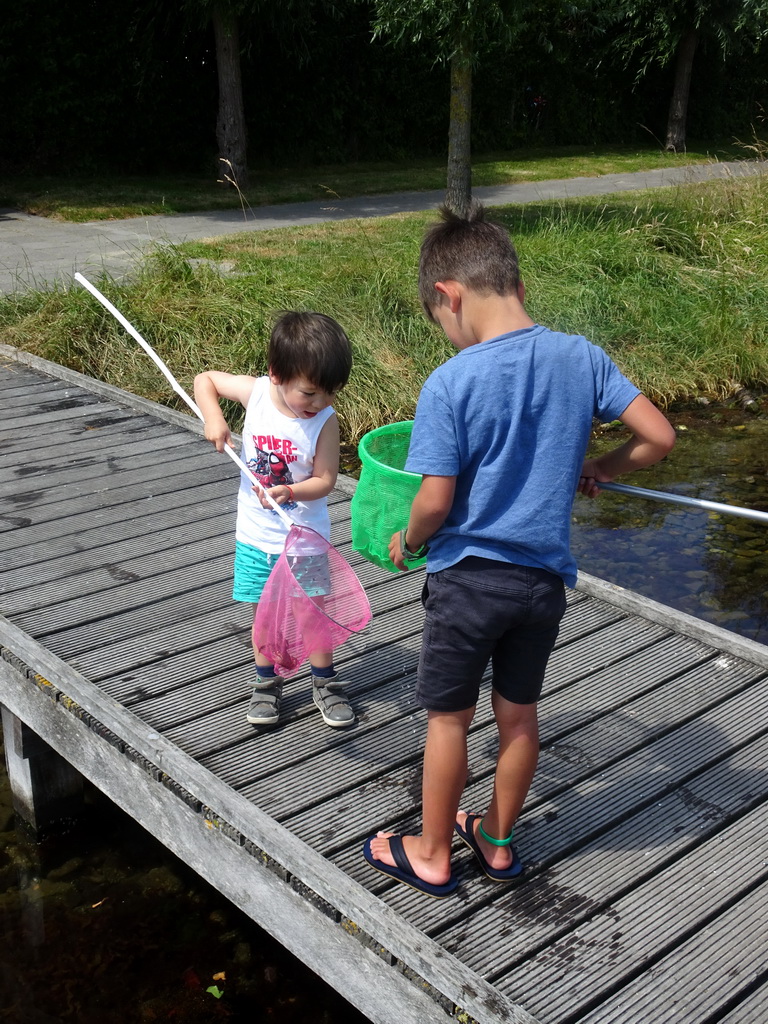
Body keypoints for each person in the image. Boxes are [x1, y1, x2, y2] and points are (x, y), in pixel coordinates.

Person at [363, 202, 675, 897]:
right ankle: (497, 845)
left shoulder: (452, 381)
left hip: (468, 582)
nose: (448, 336)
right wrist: (602, 468)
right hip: (541, 588)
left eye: (441, 323)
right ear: (518, 287)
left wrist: (408, 541)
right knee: (519, 717)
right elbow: (660, 437)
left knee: (448, 720)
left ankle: (434, 853)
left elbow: (436, 502)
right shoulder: (581, 357)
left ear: (449, 296)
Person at [194, 310, 355, 729]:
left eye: (329, 393)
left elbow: (325, 479)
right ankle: (266, 683)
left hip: (303, 539)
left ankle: (325, 680)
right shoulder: (258, 393)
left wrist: (290, 492)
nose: (319, 403)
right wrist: (214, 418)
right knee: (263, 615)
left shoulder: (323, 421)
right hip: (254, 537)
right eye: (309, 393)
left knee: (311, 613)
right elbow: (204, 381)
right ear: (276, 375)